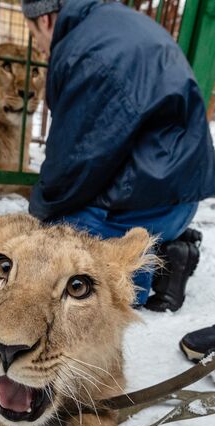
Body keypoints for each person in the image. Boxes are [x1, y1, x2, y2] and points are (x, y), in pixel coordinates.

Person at [20, 0, 215, 309]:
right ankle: (171, 250)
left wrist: (40, 213)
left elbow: (76, 161)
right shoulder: (111, 25)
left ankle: (129, 292)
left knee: (59, 231)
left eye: (34, 35)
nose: (41, 48)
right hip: (178, 197)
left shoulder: (85, 52)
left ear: (44, 20)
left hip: (151, 203)